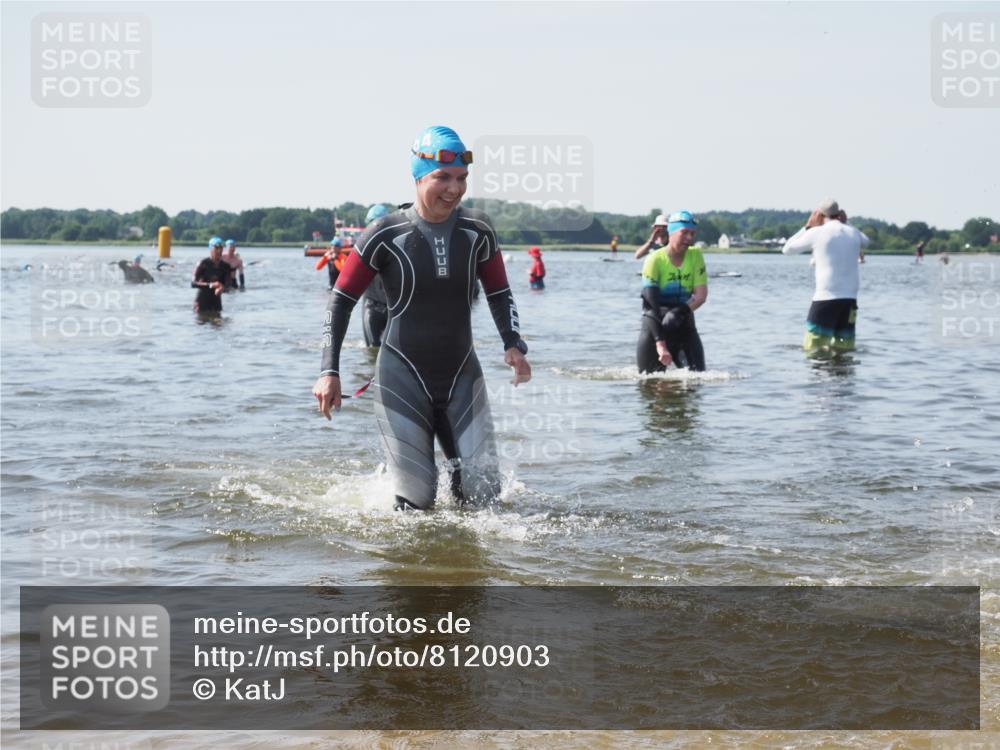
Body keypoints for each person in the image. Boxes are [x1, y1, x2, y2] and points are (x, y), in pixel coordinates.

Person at [312, 125, 531, 511]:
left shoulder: (477, 230)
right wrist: (329, 370)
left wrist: (513, 344)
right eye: (441, 177)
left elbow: (499, 291)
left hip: (463, 376)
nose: (454, 188)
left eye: (461, 178)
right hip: (402, 379)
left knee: (483, 499)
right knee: (416, 504)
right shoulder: (384, 234)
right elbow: (341, 299)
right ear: (417, 177)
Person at [781, 198, 870, 351]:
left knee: (814, 349)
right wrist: (846, 222)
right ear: (839, 214)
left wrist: (807, 227)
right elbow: (866, 241)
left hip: (825, 300)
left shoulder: (817, 232)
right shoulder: (853, 232)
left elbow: (787, 249)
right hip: (849, 301)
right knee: (844, 348)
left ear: (820, 215)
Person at [636, 210, 708, 372]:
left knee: (696, 381)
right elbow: (650, 307)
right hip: (655, 328)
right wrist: (660, 345)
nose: (690, 238)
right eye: (684, 233)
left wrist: (680, 312)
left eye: (692, 233)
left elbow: (701, 296)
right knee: (651, 385)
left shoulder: (695, 255)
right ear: (671, 232)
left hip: (683, 325)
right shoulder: (654, 259)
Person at [361, 203, 391, 347]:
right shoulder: (363, 247)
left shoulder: (399, 247)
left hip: (394, 308)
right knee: (372, 348)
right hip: (371, 306)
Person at [192, 237, 232, 314]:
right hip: (202, 301)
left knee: (219, 324)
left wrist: (222, 288)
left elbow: (228, 285)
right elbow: (193, 283)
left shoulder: (226, 266)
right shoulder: (203, 263)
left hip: (216, 302)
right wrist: (211, 285)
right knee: (201, 324)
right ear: (211, 249)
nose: (219, 251)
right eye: (216, 248)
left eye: (221, 248)